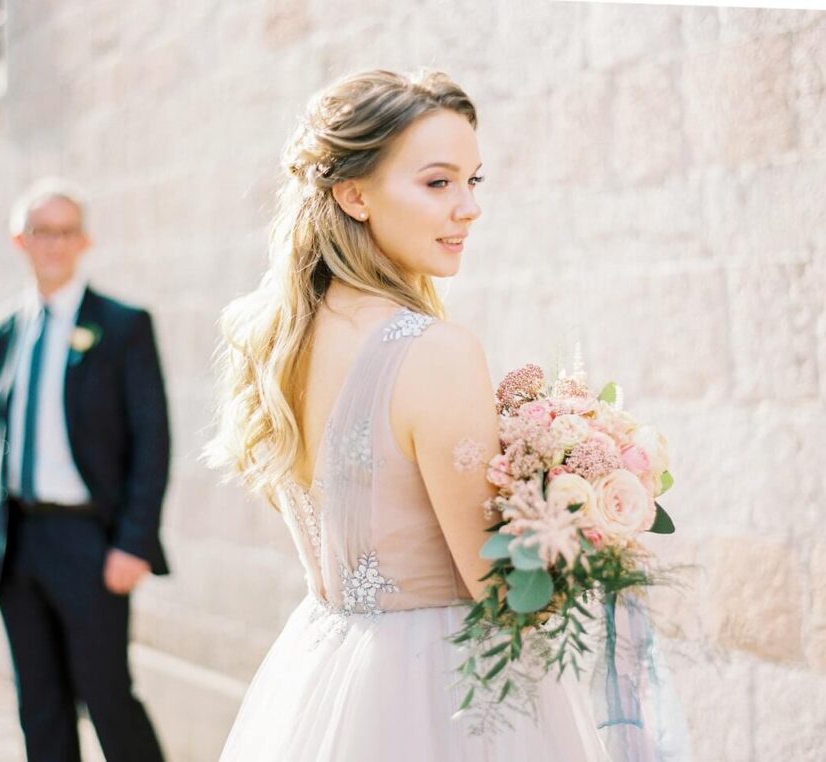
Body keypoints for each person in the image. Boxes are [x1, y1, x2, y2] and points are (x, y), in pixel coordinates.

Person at [205, 70, 611, 760]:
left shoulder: (275, 342)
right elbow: (500, 589)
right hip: (449, 695)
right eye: (438, 183)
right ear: (353, 194)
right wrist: (582, 518)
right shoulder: (435, 351)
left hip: (326, 669)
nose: (469, 208)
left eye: (473, 182)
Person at [0, 178, 170, 762]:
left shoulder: (124, 326)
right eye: (40, 232)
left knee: (107, 696)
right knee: (39, 704)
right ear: (19, 241)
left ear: (84, 241)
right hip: (18, 542)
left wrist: (134, 542)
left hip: (91, 540)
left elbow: (153, 441)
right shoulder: (3, 329)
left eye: (65, 232)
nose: (53, 244)